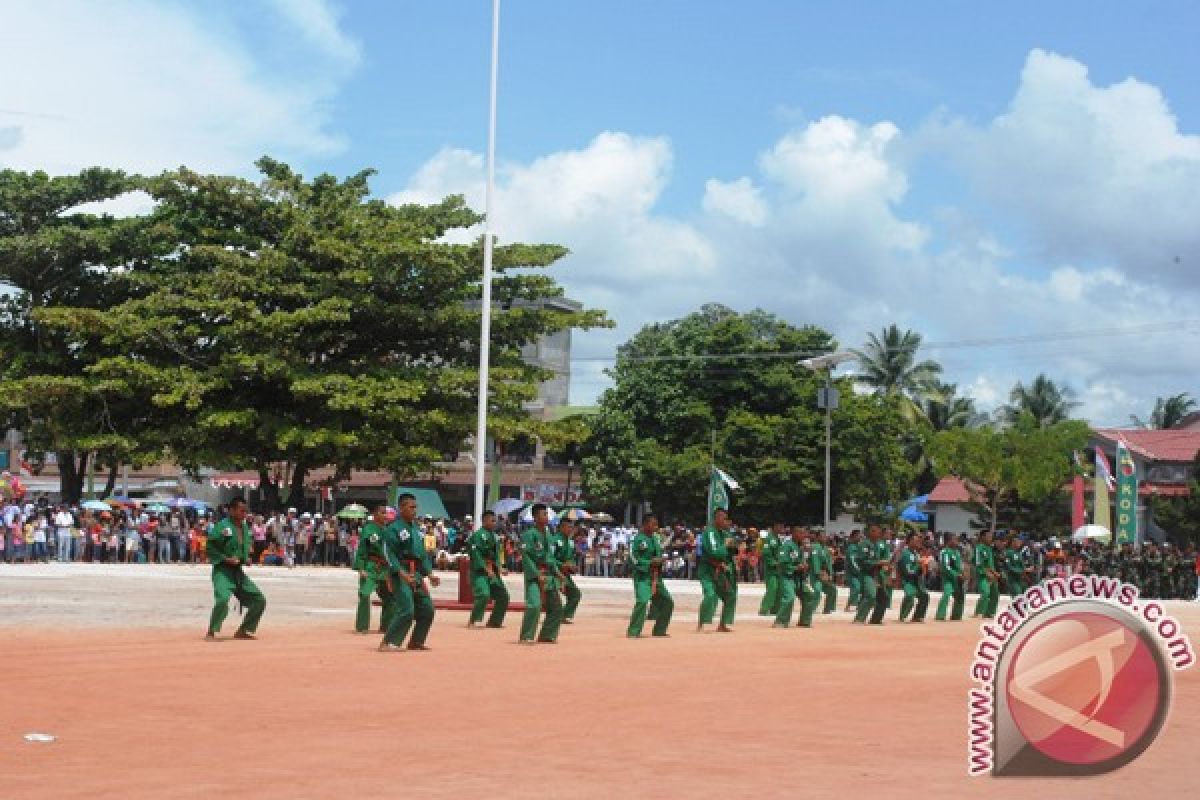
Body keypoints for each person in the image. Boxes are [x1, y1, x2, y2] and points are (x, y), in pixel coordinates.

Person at [379, 494, 441, 652]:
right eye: (411, 507)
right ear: (401, 508)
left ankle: (416, 641)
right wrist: (401, 573)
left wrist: (430, 574)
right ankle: (388, 643)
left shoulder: (417, 529)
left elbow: (422, 554)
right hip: (401, 572)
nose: (415, 510)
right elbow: (388, 554)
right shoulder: (393, 529)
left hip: (417, 573)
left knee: (427, 609)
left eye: (415, 507)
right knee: (407, 609)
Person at [204, 497, 266, 640]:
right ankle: (211, 631)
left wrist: (246, 558)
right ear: (231, 510)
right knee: (222, 600)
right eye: (241, 510)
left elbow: (244, 546)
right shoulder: (222, 526)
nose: (244, 514)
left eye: (245, 511)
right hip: (223, 571)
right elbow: (210, 547)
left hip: (238, 572)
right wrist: (225, 558)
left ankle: (244, 630)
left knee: (259, 600)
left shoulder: (244, 527)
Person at [517, 504, 563, 644]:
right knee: (534, 605)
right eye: (544, 514)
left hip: (549, 574)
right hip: (535, 574)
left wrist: (557, 571)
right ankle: (526, 636)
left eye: (547, 514)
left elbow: (550, 556)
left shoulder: (549, 535)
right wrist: (536, 574)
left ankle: (547, 635)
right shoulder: (528, 535)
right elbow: (526, 556)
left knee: (556, 607)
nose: (546, 517)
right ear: (536, 517)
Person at [626, 515, 673, 638]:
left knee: (668, 602)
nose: (656, 527)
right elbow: (633, 559)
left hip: (656, 577)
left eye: (656, 525)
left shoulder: (655, 538)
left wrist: (660, 560)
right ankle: (633, 631)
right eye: (653, 524)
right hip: (643, 577)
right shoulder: (636, 539)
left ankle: (659, 630)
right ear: (646, 524)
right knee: (642, 601)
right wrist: (649, 562)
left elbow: (657, 553)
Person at [353, 506, 395, 635]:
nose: (385, 516)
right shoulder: (369, 529)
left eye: (386, 513)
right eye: (382, 513)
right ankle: (362, 626)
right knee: (365, 594)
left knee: (390, 597)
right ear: (375, 514)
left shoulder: (388, 530)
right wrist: (361, 568)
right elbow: (362, 550)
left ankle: (386, 626)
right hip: (371, 566)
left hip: (386, 568)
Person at [466, 511, 509, 629]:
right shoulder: (477, 535)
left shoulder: (494, 536)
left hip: (492, 570)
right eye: (492, 521)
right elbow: (476, 554)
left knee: (503, 596)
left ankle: (495, 621)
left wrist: (500, 568)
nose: (495, 523)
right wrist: (486, 569)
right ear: (484, 521)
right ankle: (474, 620)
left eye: (495, 521)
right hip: (479, 571)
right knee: (484, 594)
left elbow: (495, 556)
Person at [697, 508, 737, 633]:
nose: (727, 522)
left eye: (727, 519)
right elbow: (714, 552)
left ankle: (723, 624)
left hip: (722, 571)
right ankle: (702, 623)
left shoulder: (725, 533)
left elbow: (732, 552)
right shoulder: (709, 533)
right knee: (710, 594)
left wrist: (733, 546)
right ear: (717, 518)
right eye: (724, 519)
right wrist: (725, 545)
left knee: (730, 595)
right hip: (708, 570)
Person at [862, 526, 894, 625]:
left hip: (879, 572)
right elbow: (866, 561)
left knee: (883, 596)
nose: (890, 535)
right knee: (871, 595)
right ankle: (860, 618)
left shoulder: (880, 544)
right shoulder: (869, 544)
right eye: (888, 533)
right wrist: (881, 563)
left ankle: (875, 619)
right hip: (869, 573)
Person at [897, 532, 929, 623]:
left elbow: (920, 569)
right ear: (910, 541)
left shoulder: (916, 553)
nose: (918, 542)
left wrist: (923, 567)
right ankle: (902, 617)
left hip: (917, 580)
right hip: (908, 580)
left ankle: (918, 616)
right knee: (910, 596)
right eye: (916, 540)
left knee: (925, 595)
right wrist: (919, 565)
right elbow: (908, 571)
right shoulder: (905, 553)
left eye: (918, 541)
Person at [555, 518, 582, 624]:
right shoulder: (555, 540)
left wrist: (573, 566)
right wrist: (562, 565)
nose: (571, 529)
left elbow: (570, 558)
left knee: (575, 594)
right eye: (569, 527)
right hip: (554, 572)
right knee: (552, 597)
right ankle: (554, 616)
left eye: (572, 527)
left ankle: (565, 616)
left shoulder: (570, 543)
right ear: (562, 527)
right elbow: (549, 558)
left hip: (565, 574)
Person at [935, 533, 965, 621]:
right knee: (947, 594)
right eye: (955, 539)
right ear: (948, 541)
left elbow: (960, 565)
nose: (957, 542)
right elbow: (945, 567)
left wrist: (963, 574)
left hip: (958, 579)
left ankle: (956, 616)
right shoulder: (945, 552)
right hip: (948, 579)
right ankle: (940, 616)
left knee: (960, 596)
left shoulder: (957, 552)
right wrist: (956, 575)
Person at [757, 523, 783, 616]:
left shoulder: (778, 539)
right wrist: (773, 563)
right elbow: (766, 553)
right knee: (772, 588)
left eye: (782, 526)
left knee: (780, 589)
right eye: (780, 526)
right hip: (771, 569)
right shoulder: (768, 538)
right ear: (774, 526)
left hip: (779, 568)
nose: (781, 528)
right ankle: (764, 609)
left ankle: (775, 609)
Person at [973, 532, 999, 619]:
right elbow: (978, 563)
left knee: (995, 594)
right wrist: (986, 573)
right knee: (985, 592)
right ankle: (979, 612)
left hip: (992, 574)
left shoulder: (990, 548)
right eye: (988, 537)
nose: (990, 539)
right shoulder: (978, 548)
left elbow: (990, 564)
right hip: (983, 575)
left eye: (991, 537)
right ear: (982, 537)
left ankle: (990, 612)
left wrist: (994, 573)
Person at [811, 531, 836, 614]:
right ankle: (811, 609)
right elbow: (815, 561)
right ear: (817, 538)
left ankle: (828, 609)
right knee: (817, 591)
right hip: (816, 574)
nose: (824, 538)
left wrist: (830, 574)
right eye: (822, 536)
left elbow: (829, 562)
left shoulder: (825, 548)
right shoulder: (814, 547)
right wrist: (818, 573)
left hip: (825, 573)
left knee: (832, 589)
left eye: (825, 536)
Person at [843, 530, 864, 611]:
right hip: (852, 573)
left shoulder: (858, 546)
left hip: (858, 572)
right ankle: (848, 606)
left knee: (861, 588)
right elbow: (852, 561)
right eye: (859, 536)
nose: (860, 537)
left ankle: (859, 605)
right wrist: (859, 570)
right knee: (856, 588)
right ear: (854, 536)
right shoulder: (852, 547)